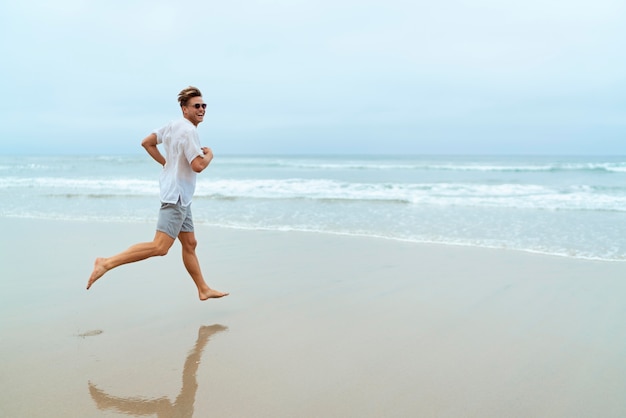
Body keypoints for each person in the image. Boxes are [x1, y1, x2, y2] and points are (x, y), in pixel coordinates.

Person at [86, 86, 228, 301]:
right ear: (184, 109)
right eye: (196, 106)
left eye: (203, 105)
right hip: (177, 196)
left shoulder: (172, 126)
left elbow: (147, 142)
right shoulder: (189, 131)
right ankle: (106, 263)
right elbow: (198, 165)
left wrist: (166, 164)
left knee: (190, 244)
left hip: (181, 196)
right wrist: (210, 155)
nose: (201, 109)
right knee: (160, 247)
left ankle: (203, 288)